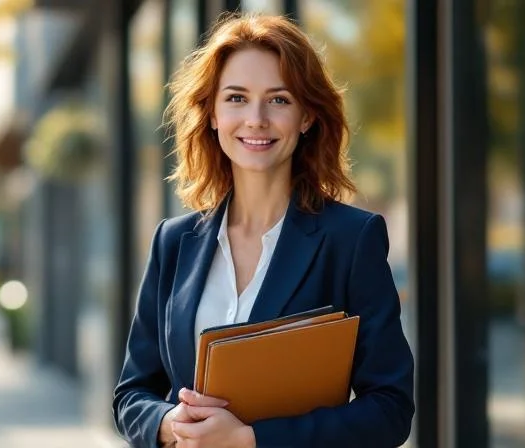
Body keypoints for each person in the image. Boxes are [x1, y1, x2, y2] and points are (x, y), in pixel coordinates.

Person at [113, 13, 414, 448]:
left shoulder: (351, 239)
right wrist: (170, 423)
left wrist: (252, 439)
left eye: (278, 100)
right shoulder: (173, 242)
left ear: (307, 116)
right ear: (212, 114)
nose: (256, 118)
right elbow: (131, 395)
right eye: (236, 98)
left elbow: (390, 408)